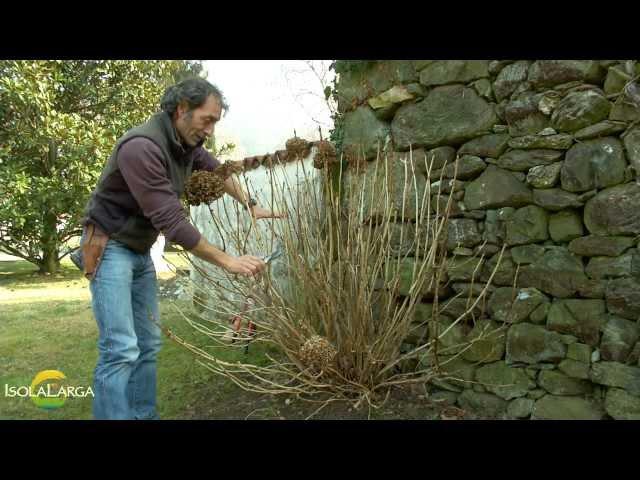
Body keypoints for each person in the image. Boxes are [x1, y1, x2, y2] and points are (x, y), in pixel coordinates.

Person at [78, 77, 284, 420]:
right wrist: (228, 261)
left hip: (138, 250)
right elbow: (172, 224)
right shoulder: (141, 147)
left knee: (148, 345)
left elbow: (217, 169)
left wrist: (251, 203)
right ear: (182, 109)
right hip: (109, 247)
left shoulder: (185, 143)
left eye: (216, 122)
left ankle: (144, 416)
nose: (211, 130)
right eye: (208, 120)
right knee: (121, 349)